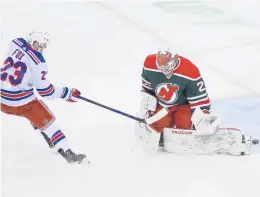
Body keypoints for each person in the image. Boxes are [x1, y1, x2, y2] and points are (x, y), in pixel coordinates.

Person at [135, 50, 254, 155]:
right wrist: (147, 109)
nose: (166, 71)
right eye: (163, 69)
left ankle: (186, 126)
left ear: (175, 59)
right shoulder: (149, 64)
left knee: (185, 127)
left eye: (168, 67)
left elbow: (200, 98)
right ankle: (162, 131)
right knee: (156, 126)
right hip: (162, 104)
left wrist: (202, 118)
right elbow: (148, 90)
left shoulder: (189, 70)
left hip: (184, 105)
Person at [0, 31, 87, 164]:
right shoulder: (38, 62)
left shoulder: (15, 43)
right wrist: (67, 93)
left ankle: (48, 139)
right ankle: (69, 155)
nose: (41, 49)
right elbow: (46, 91)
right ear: (32, 41)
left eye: (43, 46)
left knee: (33, 102)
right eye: (39, 45)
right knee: (50, 123)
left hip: (2, 101)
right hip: (21, 103)